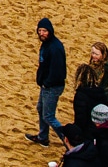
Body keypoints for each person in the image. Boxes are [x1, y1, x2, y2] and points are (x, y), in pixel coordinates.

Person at [28, 17, 67, 145]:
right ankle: (43, 137)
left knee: (49, 116)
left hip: (52, 86)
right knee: (41, 109)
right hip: (46, 85)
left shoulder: (55, 48)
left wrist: (47, 83)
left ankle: (68, 141)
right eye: (40, 31)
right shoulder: (47, 44)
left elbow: (58, 71)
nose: (42, 33)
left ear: (50, 31)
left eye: (44, 31)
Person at [68, 42, 108, 137]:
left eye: (96, 54)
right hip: (92, 97)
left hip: (101, 98)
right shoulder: (95, 63)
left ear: (103, 55)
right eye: (92, 53)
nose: (93, 56)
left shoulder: (106, 68)